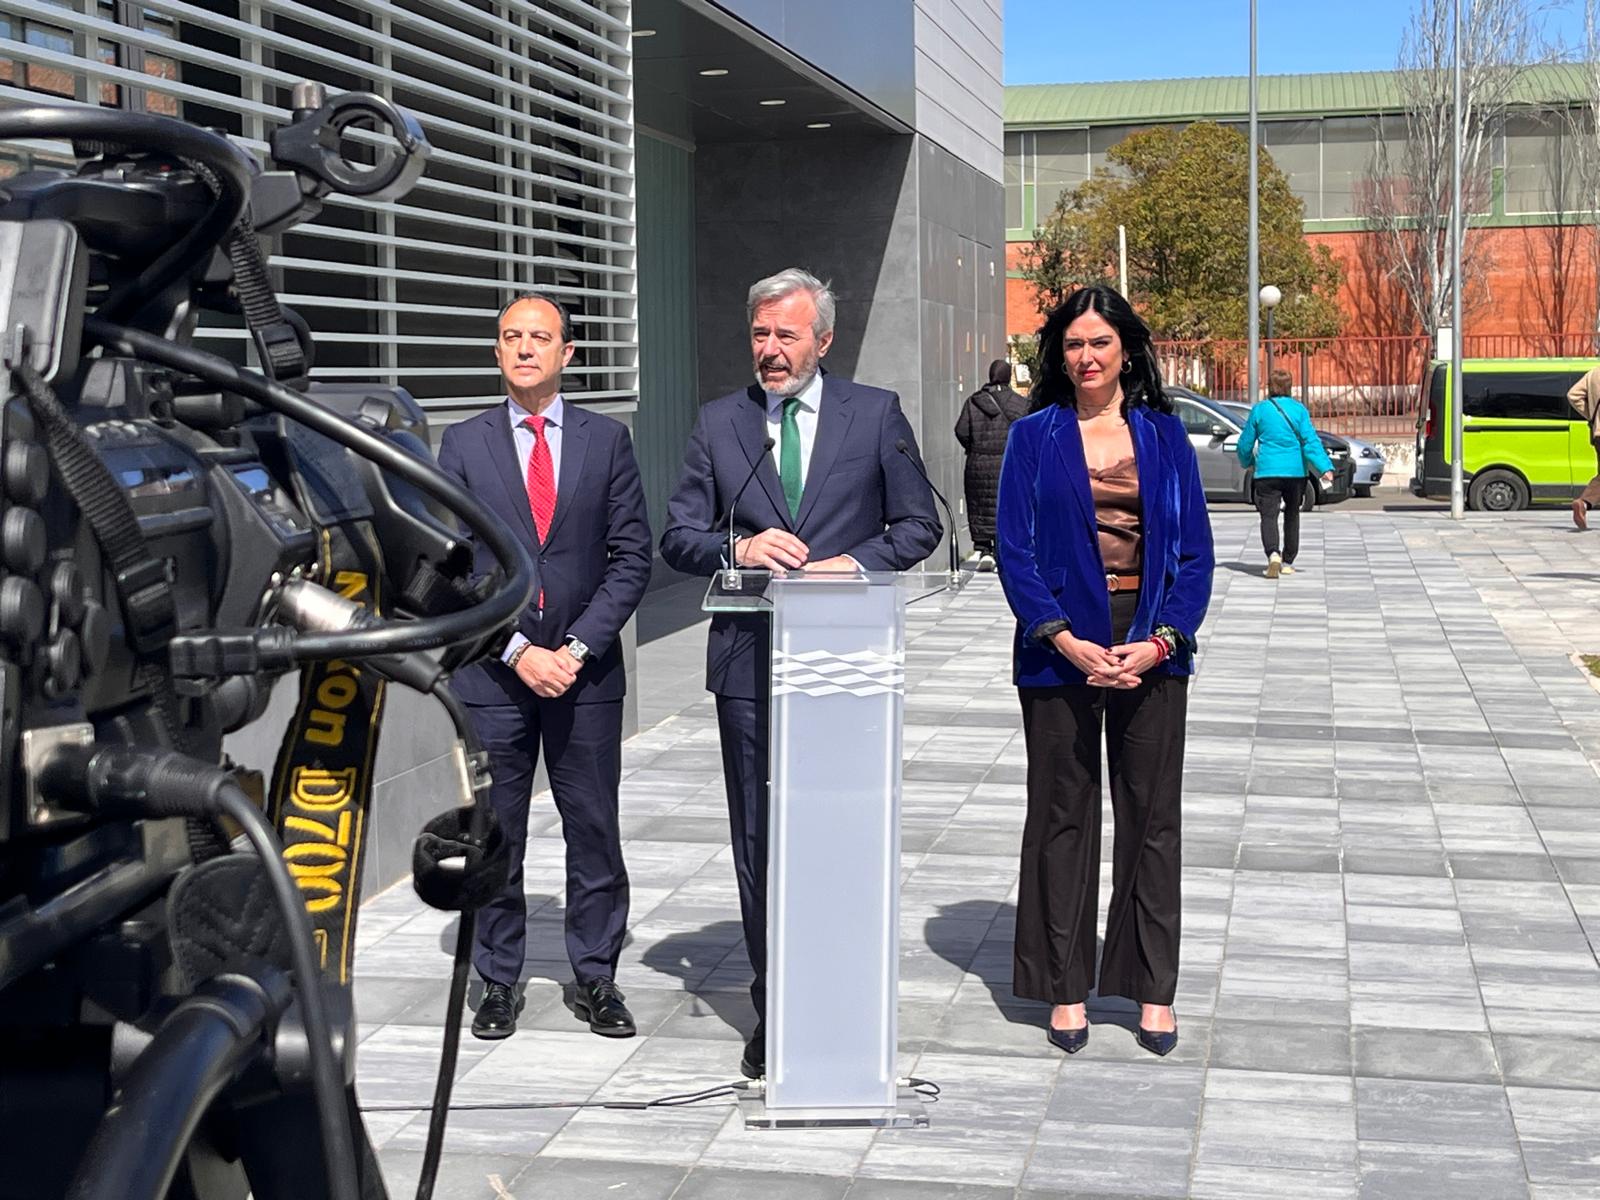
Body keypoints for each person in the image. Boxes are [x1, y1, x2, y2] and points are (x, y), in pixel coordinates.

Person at [659, 268, 942, 1078]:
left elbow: (918, 524)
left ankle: (840, 996)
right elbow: (678, 536)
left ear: (824, 339)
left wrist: (849, 564)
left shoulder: (875, 414)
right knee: (761, 841)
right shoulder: (722, 423)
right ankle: (773, 1003)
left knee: (839, 836)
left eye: (787, 335)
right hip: (749, 665)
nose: (771, 351)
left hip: (845, 662)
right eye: (760, 335)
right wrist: (737, 548)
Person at [994, 284, 1213, 1057]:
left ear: (1127, 350)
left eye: (1100, 344)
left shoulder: (1164, 435)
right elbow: (1012, 550)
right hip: (1059, 651)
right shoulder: (1034, 436)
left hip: (1149, 648)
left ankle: (1153, 988)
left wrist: (1161, 641)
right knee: (1062, 818)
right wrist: (1061, 637)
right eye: (1074, 345)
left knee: (1152, 822)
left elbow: (1195, 557)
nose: (1086, 358)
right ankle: (1063, 985)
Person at [438, 292, 652, 1041]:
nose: (525, 348)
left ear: (569, 354)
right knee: (498, 831)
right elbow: (453, 567)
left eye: (540, 337)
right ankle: (498, 979)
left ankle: (596, 976)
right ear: (496, 353)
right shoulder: (462, 444)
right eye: (511, 337)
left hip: (586, 678)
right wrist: (519, 652)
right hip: (494, 677)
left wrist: (576, 650)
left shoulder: (606, 441)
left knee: (593, 827)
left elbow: (631, 559)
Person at [1234, 369, 1334, 578]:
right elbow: (1310, 441)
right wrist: (1325, 467)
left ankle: (1272, 554)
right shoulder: (1299, 410)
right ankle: (1288, 561)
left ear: (1270, 387)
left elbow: (1245, 443)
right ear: (1289, 387)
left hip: (1267, 473)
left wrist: (1248, 462)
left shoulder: (1260, 410)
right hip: (1295, 472)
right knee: (1292, 514)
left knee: (1268, 515)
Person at [955, 359, 1029, 569]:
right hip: (1009, 462)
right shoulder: (1020, 403)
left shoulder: (973, 402)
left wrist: (974, 448)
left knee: (980, 504)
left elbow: (961, 430)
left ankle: (983, 548)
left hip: (978, 461)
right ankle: (1002, 548)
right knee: (1006, 504)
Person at [1567, 364, 1600, 529]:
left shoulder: (1594, 373)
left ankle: (1584, 504)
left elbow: (1573, 395)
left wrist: (1593, 417)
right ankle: (1584, 502)